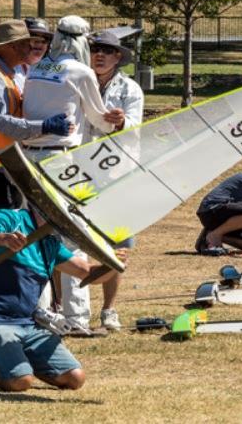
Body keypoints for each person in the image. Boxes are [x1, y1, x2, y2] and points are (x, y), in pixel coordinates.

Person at [0, 207, 125, 390]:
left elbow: (88, 272)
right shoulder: (11, 218)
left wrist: (113, 264)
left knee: (75, 379)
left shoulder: (50, 243)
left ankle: (7, 364)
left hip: (27, 324)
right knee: (21, 382)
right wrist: (2, 239)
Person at [21, 16, 116, 332]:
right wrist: (116, 119)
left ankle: (41, 311)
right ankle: (76, 318)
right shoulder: (81, 71)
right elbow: (100, 120)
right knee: (72, 236)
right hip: (61, 159)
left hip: (27, 159)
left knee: (35, 237)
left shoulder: (36, 69)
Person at [0, 19, 72, 225]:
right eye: (24, 43)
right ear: (10, 47)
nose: (30, 48)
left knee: (5, 237)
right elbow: (3, 122)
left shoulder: (5, 76)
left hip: (0, 168)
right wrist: (45, 126)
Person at [82, 30, 144, 331]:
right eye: (96, 49)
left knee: (117, 245)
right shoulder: (80, 83)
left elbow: (136, 125)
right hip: (82, 174)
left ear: (118, 57)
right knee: (73, 242)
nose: (100, 55)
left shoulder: (130, 89)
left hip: (119, 174)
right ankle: (68, 308)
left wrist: (122, 121)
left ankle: (109, 309)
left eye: (107, 50)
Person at [11, 17, 52, 91]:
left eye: (45, 39)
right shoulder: (10, 71)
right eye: (34, 37)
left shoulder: (53, 71)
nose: (39, 43)